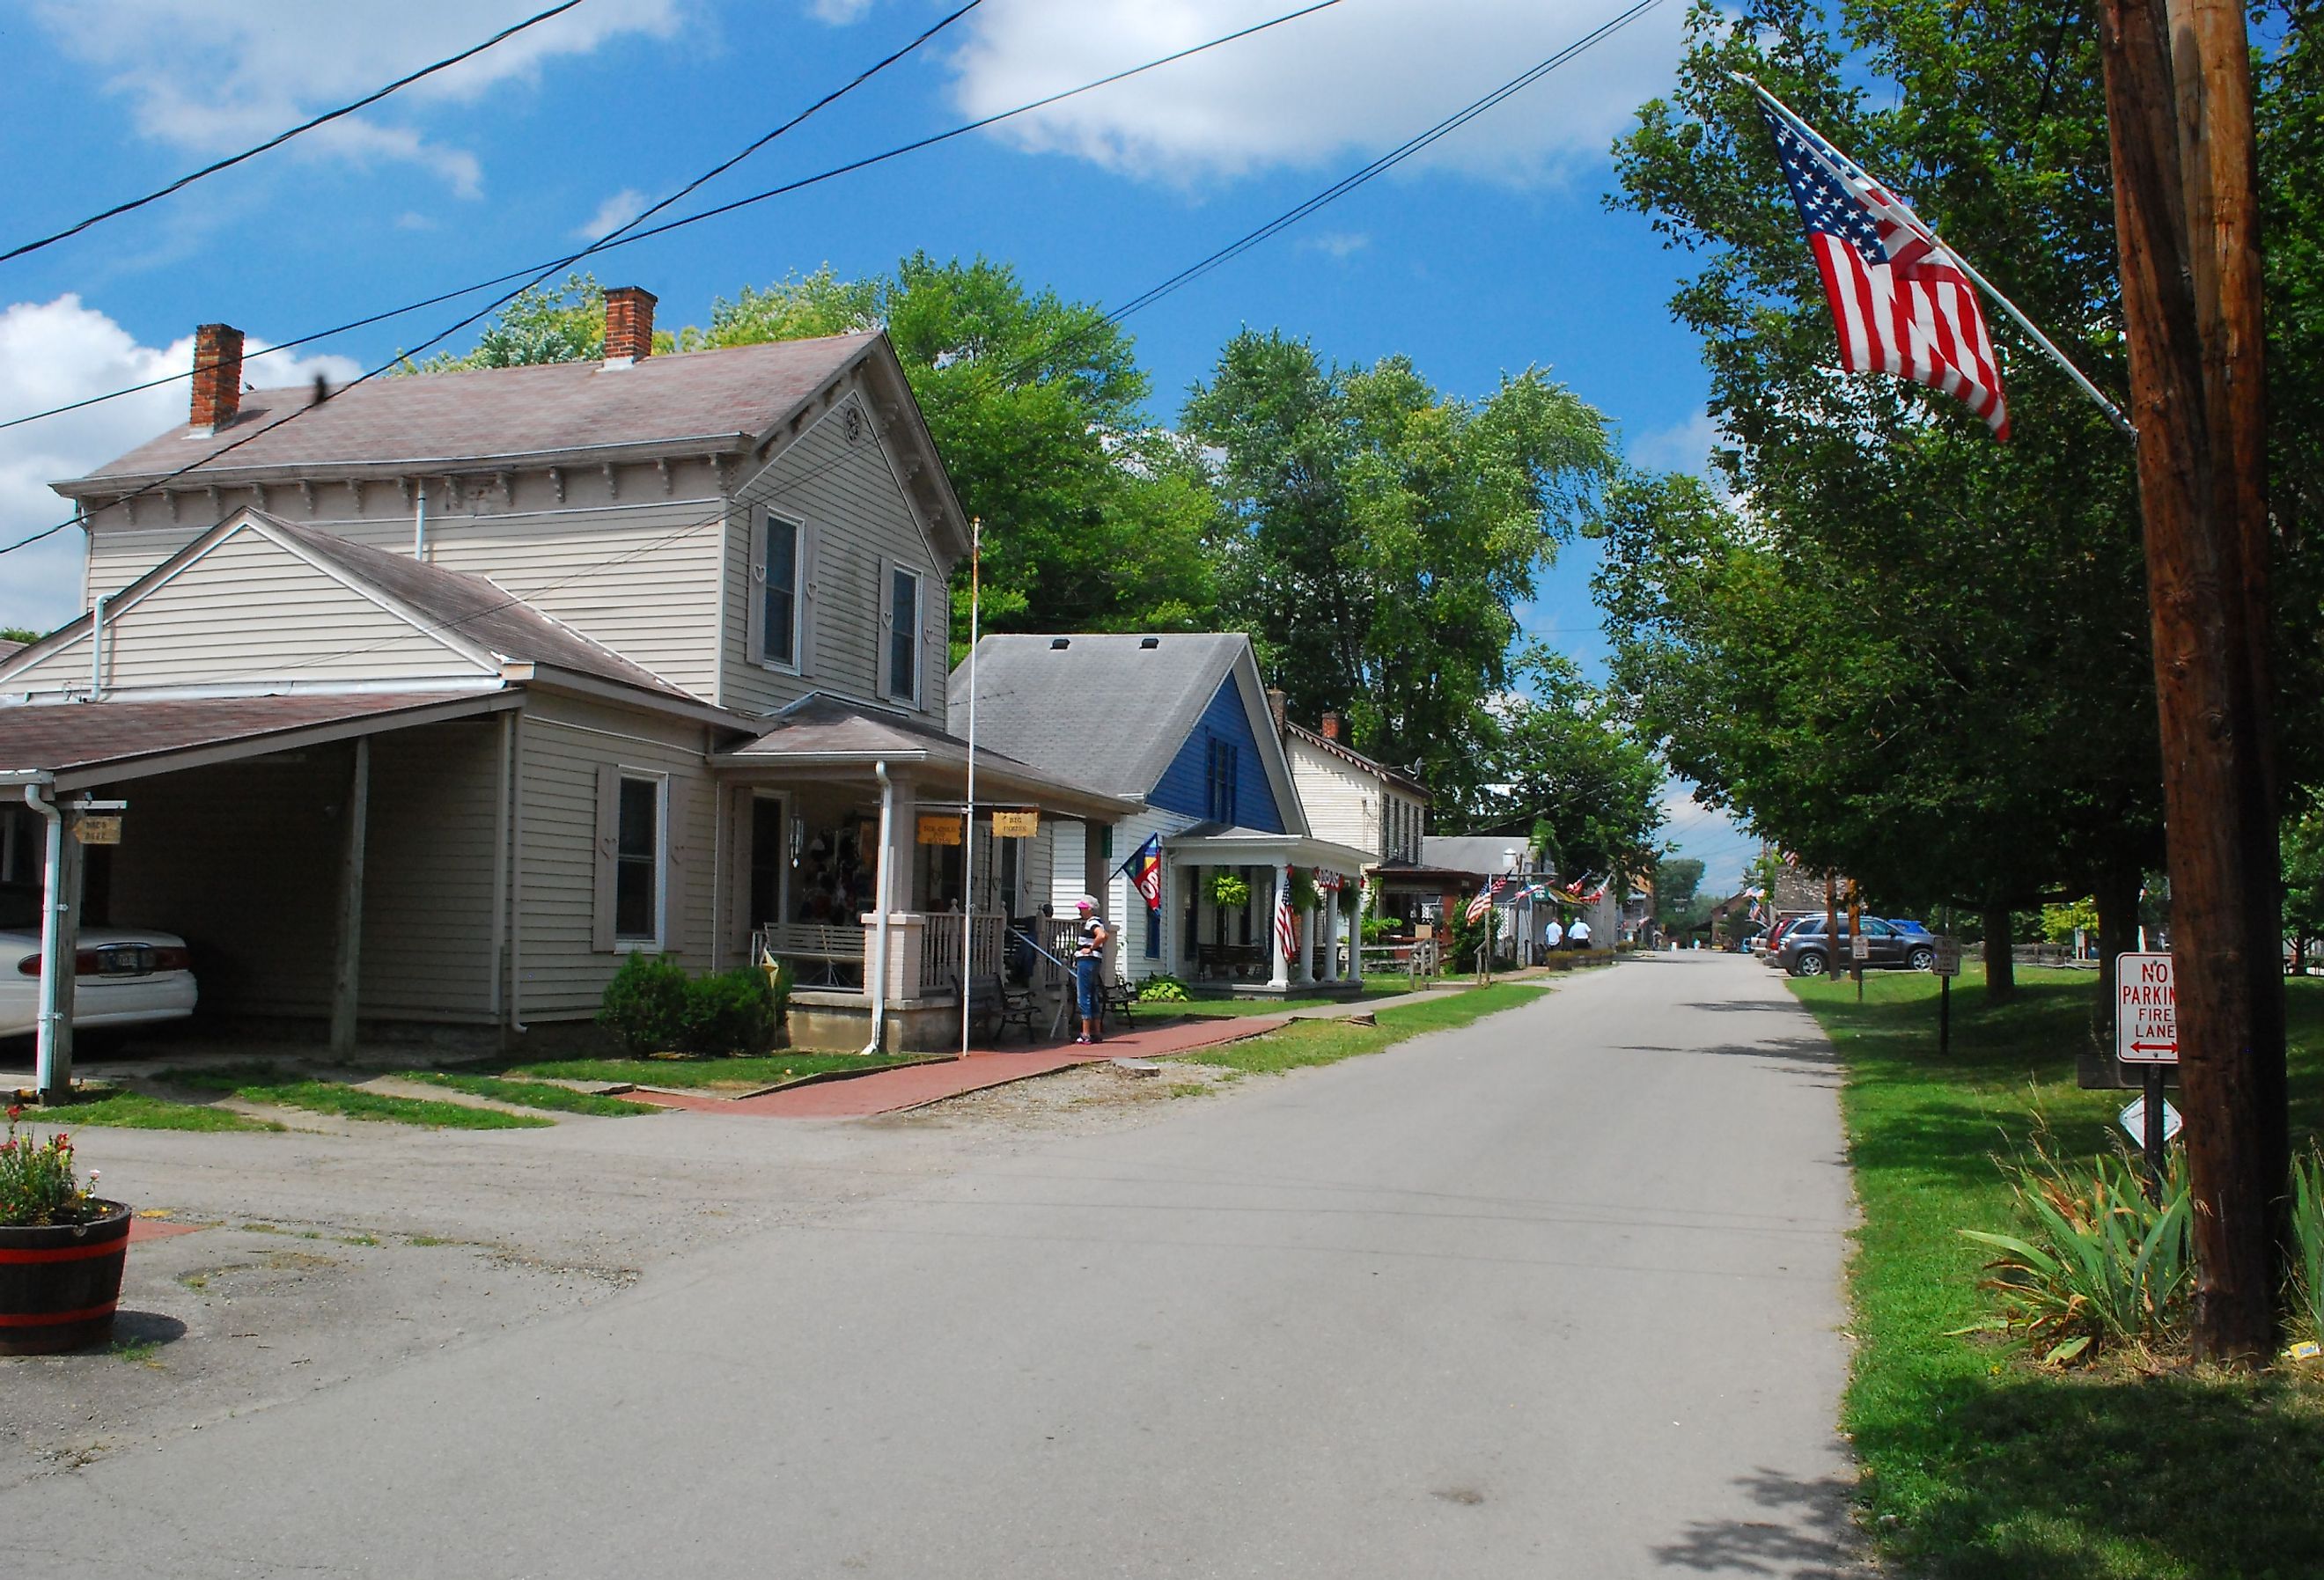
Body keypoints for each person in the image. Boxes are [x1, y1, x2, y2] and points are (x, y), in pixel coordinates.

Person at [1072, 893, 1109, 1045]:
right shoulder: (1097, 921)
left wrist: (1090, 948)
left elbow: (1102, 936)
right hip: (1094, 962)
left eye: (1083, 908)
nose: (1080, 911)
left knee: (1084, 996)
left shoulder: (1091, 922)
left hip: (1086, 961)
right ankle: (1096, 1032)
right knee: (1092, 995)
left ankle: (1086, 1034)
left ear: (1089, 909)